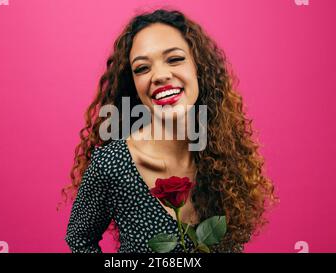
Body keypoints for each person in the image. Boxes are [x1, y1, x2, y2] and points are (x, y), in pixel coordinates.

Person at [63, 9, 277, 253]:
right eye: (142, 68)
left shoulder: (223, 157)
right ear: (133, 85)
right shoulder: (111, 164)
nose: (160, 75)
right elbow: (79, 240)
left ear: (199, 67)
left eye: (174, 59)